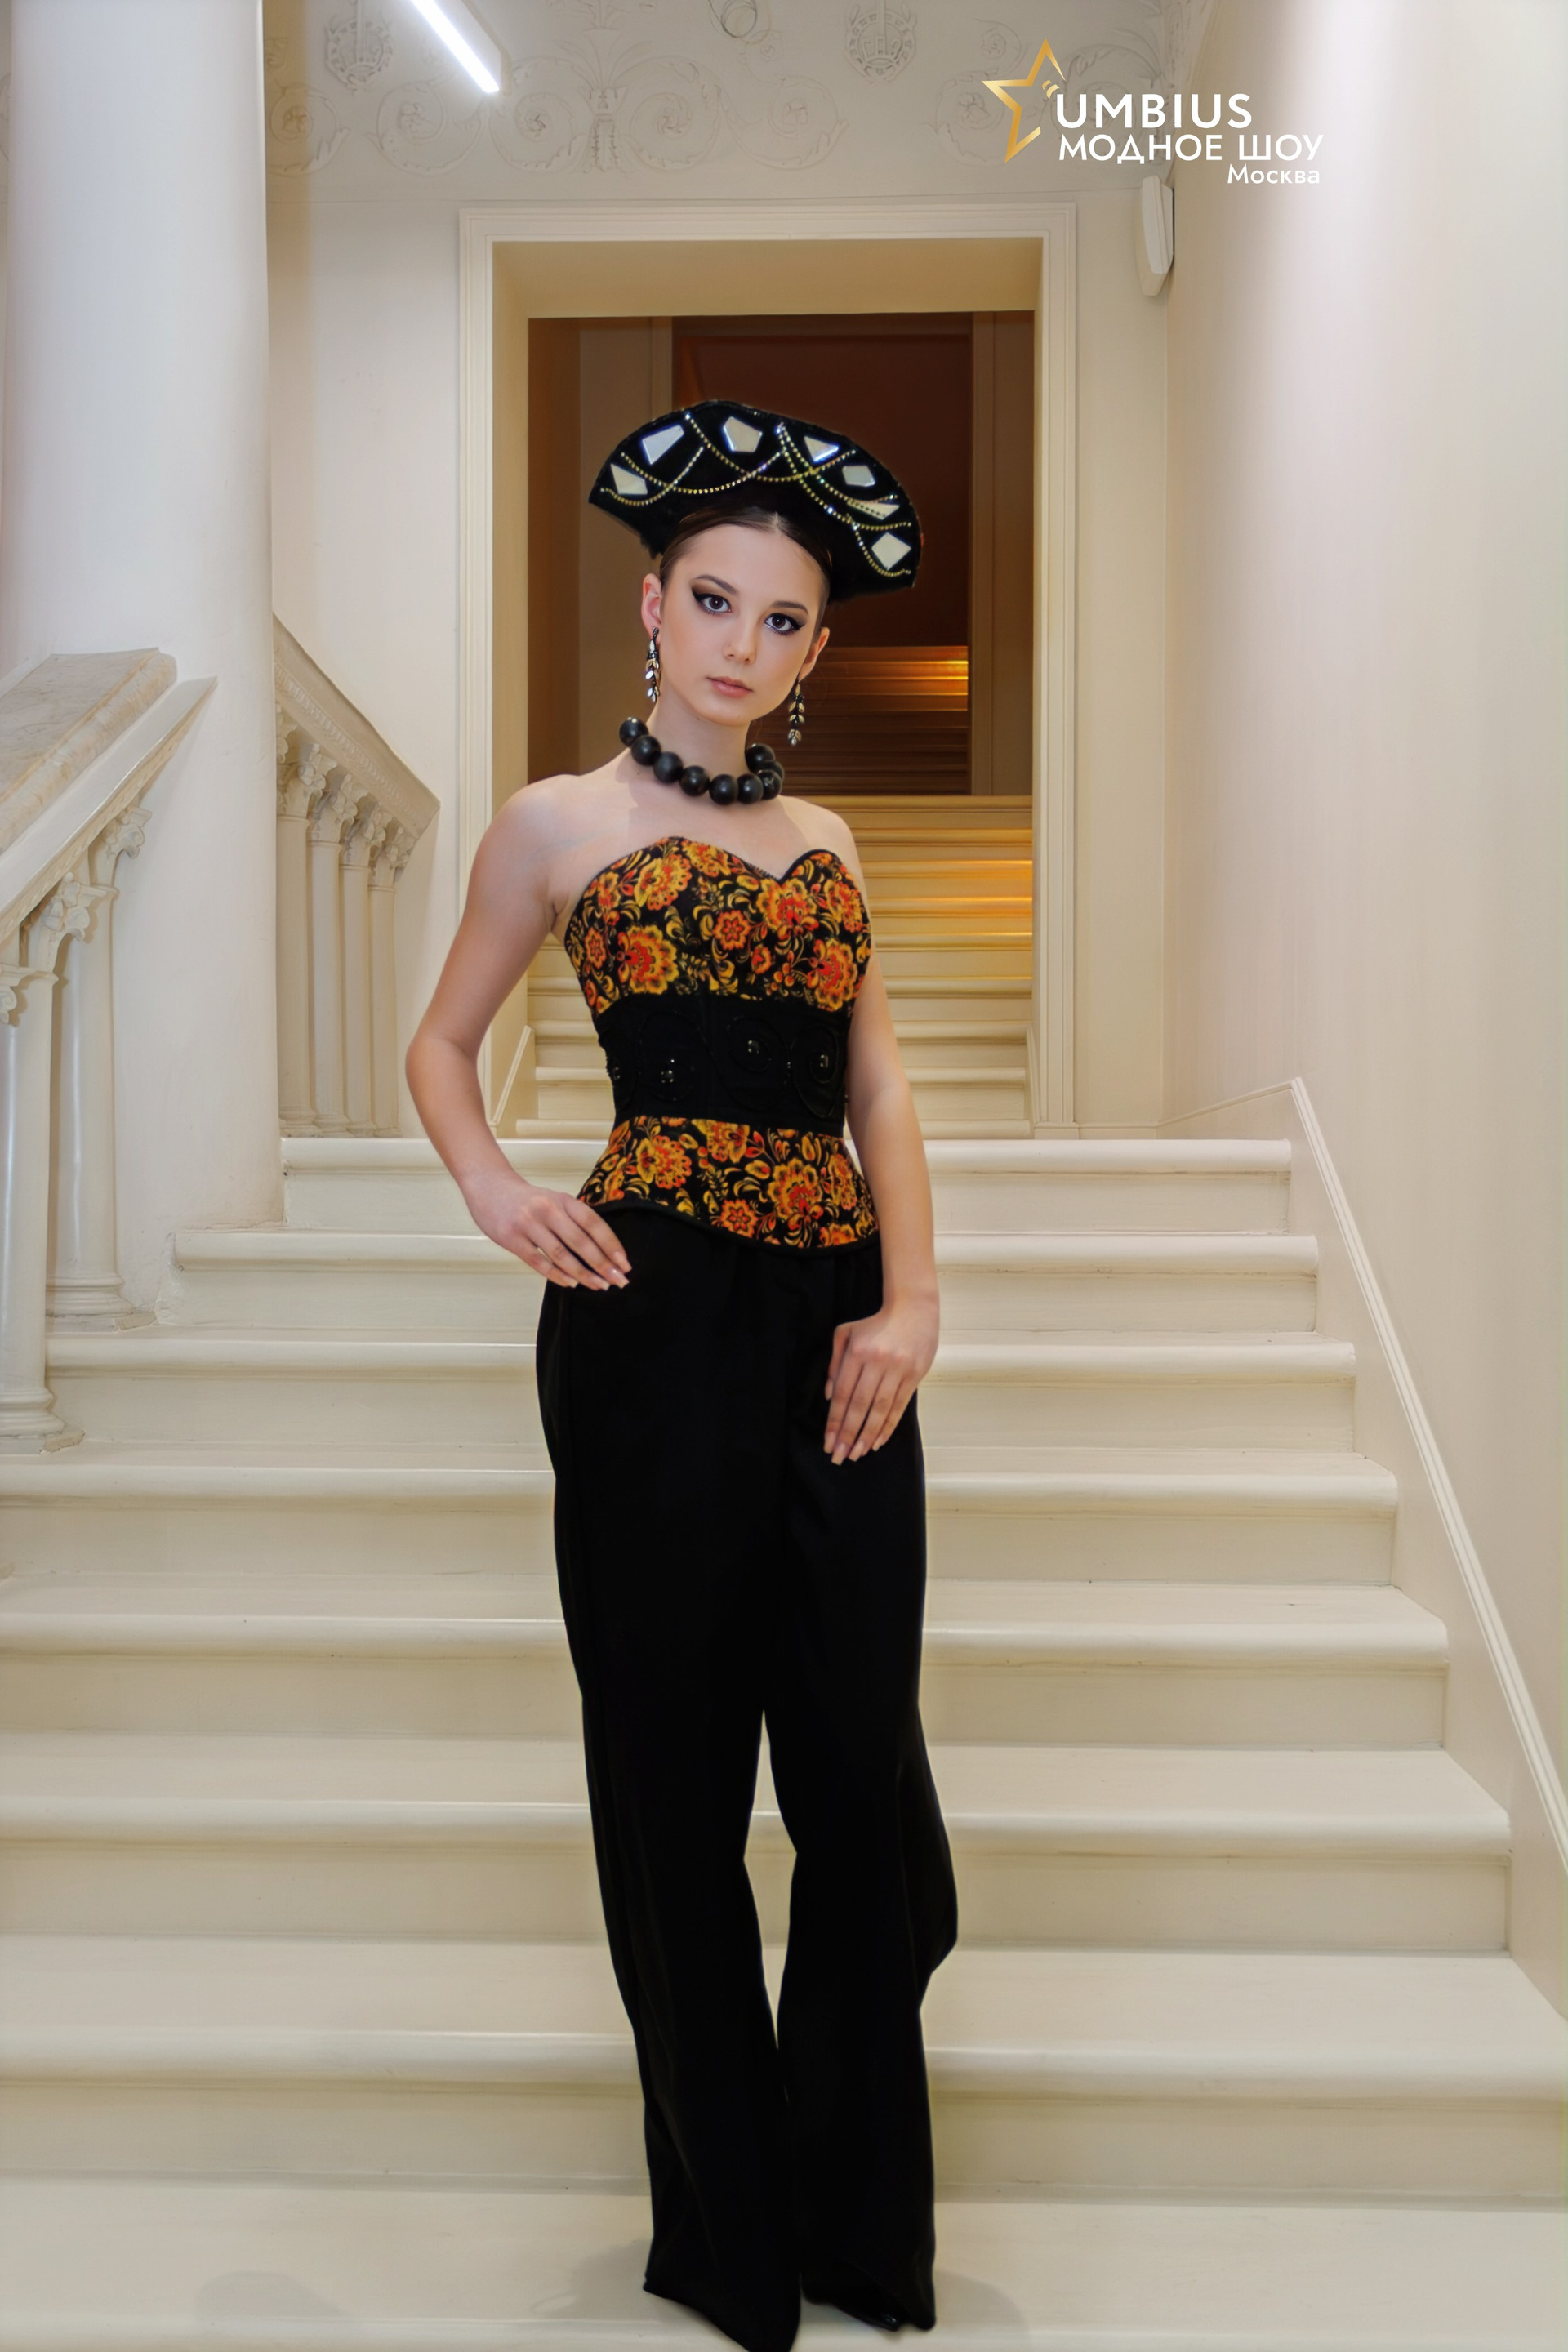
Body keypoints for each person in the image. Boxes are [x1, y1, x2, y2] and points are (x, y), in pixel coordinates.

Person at [406, 399, 958, 2352]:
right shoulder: (555, 824)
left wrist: (912, 1301)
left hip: (836, 1324)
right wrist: (498, 1189)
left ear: (817, 648)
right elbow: (443, 1044)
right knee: (671, 1776)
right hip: (650, 1323)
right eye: (715, 599)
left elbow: (880, 1087)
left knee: (862, 1783)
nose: (744, 641)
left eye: (783, 618)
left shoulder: (829, 842)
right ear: (653, 605)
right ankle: (733, 2238)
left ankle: (851, 2215)